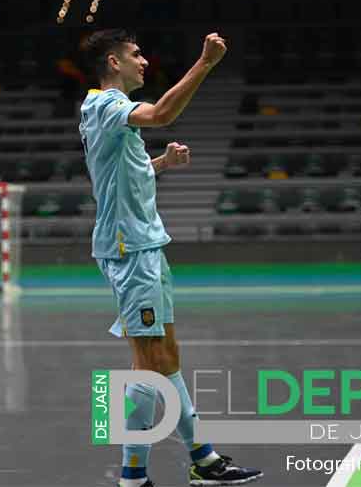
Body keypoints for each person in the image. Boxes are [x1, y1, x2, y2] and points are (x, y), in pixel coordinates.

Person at [79, 29, 263, 487]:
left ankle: (204, 459)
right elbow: (162, 113)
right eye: (136, 54)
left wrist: (161, 164)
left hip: (146, 246)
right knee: (148, 363)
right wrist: (205, 63)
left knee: (167, 358)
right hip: (130, 251)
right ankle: (133, 476)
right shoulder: (106, 105)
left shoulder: (112, 118)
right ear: (112, 62)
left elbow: (118, 175)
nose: (144, 61)